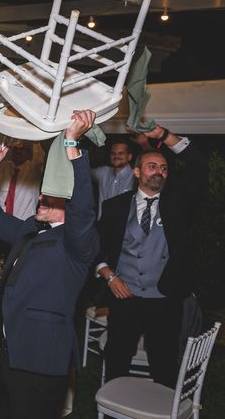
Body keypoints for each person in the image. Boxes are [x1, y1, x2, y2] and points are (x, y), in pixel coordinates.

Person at [0, 110, 99, 419]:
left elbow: (83, 209)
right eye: (42, 193)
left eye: (51, 195)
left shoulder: (78, 243)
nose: (41, 197)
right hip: (13, 349)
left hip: (43, 357)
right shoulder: (31, 228)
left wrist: (72, 144)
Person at [95, 124, 208, 388]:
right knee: (117, 359)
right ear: (136, 172)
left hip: (164, 298)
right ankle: (115, 409)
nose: (159, 171)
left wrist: (164, 137)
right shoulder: (114, 207)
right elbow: (95, 246)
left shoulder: (178, 205)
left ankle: (161, 411)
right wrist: (108, 275)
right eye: (152, 166)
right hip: (124, 297)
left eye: (164, 168)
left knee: (165, 363)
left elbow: (200, 167)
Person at [0, 140, 45, 220]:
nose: (19, 151)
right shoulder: (5, 166)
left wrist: (27, 136)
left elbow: (38, 153)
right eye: (16, 148)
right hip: (0, 218)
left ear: (29, 153)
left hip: (24, 221)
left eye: (24, 149)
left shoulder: (34, 168)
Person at [91, 139, 136, 219]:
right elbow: (81, 172)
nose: (116, 156)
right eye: (113, 153)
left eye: (121, 153)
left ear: (129, 157)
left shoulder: (136, 175)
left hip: (125, 226)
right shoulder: (103, 172)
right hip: (103, 224)